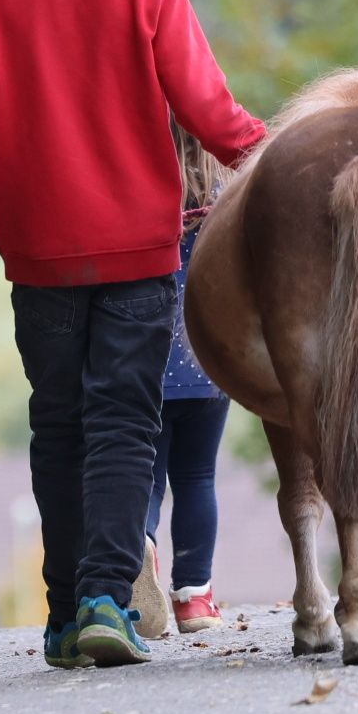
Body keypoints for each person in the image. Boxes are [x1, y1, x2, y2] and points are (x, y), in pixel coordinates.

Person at [0, 0, 264, 671]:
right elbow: (205, 105)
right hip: (139, 246)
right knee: (127, 420)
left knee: (59, 420)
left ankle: (59, 616)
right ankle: (102, 603)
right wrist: (265, 150)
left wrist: (11, 184)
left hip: (39, 251)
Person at [146, 125, 229, 633]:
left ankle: (141, 557)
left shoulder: (142, 183)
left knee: (148, 478)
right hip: (206, 361)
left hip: (144, 363)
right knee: (197, 478)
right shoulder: (221, 199)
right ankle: (194, 599)